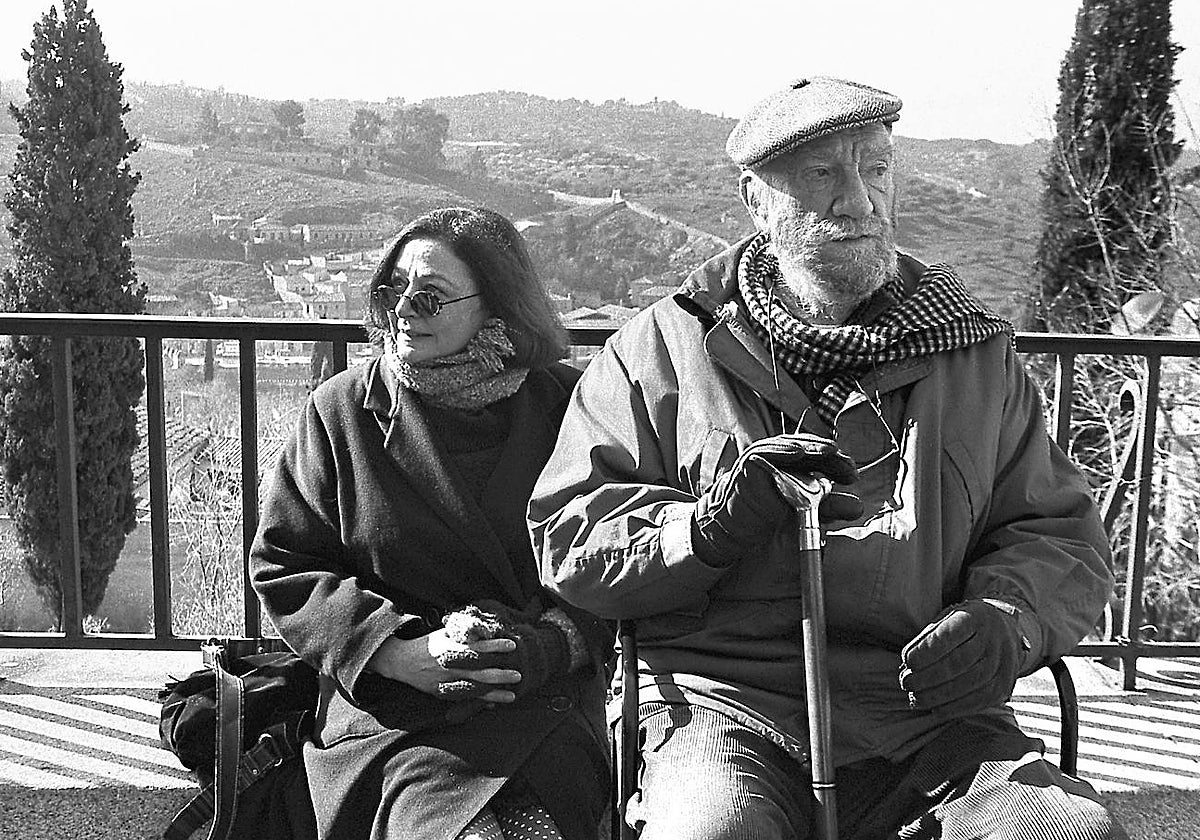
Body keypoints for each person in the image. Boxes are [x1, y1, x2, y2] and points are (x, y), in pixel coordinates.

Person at [528, 77, 1127, 839]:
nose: (859, 201)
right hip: (724, 701)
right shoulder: (660, 348)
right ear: (756, 199)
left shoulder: (974, 354)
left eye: (875, 170)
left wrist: (1006, 619)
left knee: (1064, 832)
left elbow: (1059, 534)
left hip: (925, 716)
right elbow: (570, 538)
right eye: (822, 176)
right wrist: (702, 530)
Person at [250, 207, 611, 840]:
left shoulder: (570, 407)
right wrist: (395, 652)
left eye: (430, 296)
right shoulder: (342, 413)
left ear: (496, 306)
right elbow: (285, 563)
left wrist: (551, 647)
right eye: (392, 290)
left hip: (541, 703)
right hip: (394, 714)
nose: (403, 310)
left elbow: (620, 554)